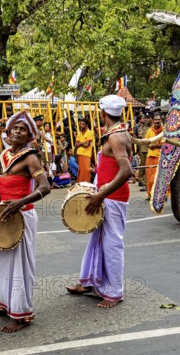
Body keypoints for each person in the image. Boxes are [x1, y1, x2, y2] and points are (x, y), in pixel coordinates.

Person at [0, 111, 50, 332]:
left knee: (21, 265)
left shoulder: (30, 157)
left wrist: (20, 203)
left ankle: (21, 314)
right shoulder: (4, 154)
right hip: (4, 216)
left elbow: (44, 186)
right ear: (8, 132)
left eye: (22, 129)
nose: (17, 132)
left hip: (22, 217)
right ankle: (4, 304)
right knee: (1, 261)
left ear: (29, 134)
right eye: (14, 128)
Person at [66, 95, 132, 308]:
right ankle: (89, 282)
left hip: (112, 197)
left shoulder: (116, 136)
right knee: (97, 241)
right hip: (106, 195)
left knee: (112, 244)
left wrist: (100, 195)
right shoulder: (117, 132)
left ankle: (114, 292)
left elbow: (126, 171)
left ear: (103, 114)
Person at [144, 113, 164, 201]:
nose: (157, 121)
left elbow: (166, 144)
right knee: (149, 176)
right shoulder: (150, 131)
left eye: (158, 119)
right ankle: (149, 194)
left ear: (161, 120)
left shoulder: (164, 131)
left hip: (159, 156)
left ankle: (161, 194)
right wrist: (149, 146)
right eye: (155, 120)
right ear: (153, 120)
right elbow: (146, 142)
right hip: (150, 156)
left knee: (156, 177)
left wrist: (156, 146)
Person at [134, 112, 151, 191]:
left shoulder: (153, 127)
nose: (146, 119)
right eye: (145, 118)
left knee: (149, 165)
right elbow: (138, 135)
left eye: (147, 118)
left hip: (151, 148)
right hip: (143, 148)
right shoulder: (140, 127)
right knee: (143, 164)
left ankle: (146, 181)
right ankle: (142, 181)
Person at [75, 118, 94, 183]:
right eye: (80, 124)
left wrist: (79, 143)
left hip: (86, 155)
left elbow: (86, 146)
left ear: (87, 125)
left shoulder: (89, 133)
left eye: (82, 124)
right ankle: (80, 185)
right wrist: (82, 143)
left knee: (86, 171)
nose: (81, 125)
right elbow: (76, 145)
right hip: (79, 154)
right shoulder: (79, 133)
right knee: (81, 171)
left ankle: (85, 185)